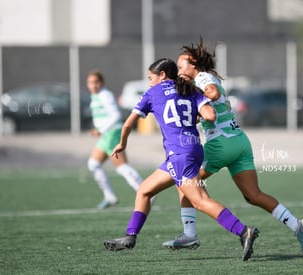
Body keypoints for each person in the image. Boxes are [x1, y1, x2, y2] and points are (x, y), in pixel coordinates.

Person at [162, 38, 303, 256]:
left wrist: (203, 97)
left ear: (193, 63)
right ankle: (297, 226)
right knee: (253, 195)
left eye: (181, 64)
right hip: (239, 142)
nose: (178, 69)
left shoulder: (203, 78)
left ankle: (190, 234)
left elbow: (212, 92)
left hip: (220, 144)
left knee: (185, 183)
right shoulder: (201, 81)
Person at [103, 58, 259, 261]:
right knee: (144, 190)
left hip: (179, 155)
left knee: (200, 201)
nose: (149, 83)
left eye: (151, 78)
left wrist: (122, 143)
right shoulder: (189, 90)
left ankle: (243, 231)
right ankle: (130, 236)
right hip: (193, 149)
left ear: (162, 75)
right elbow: (210, 116)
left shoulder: (152, 93)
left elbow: (127, 124)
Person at [86, 70, 144, 209]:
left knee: (122, 167)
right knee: (93, 164)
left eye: (96, 82)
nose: (93, 85)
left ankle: (146, 192)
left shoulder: (105, 95)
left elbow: (116, 116)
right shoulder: (96, 95)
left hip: (112, 134)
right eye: (90, 83)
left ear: (102, 83)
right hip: (106, 135)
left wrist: (100, 130)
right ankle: (109, 196)